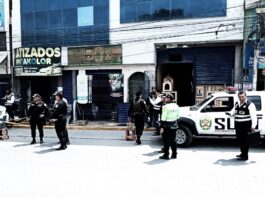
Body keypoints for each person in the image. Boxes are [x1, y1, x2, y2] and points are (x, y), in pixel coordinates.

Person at [231, 91, 257, 161]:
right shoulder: (237, 103)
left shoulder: (250, 104)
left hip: (246, 125)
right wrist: (231, 114)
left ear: (246, 96)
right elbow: (233, 111)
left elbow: (254, 116)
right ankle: (242, 153)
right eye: (240, 97)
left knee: (245, 141)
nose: (241, 98)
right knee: (240, 140)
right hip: (238, 125)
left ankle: (245, 156)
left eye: (242, 97)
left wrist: (253, 126)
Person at [159, 93, 180, 160]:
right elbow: (178, 116)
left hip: (167, 125)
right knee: (173, 140)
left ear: (170, 99)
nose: (165, 99)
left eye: (167, 98)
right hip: (174, 124)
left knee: (166, 141)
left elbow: (163, 117)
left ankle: (166, 155)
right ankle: (174, 154)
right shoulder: (176, 106)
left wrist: (161, 127)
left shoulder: (165, 107)